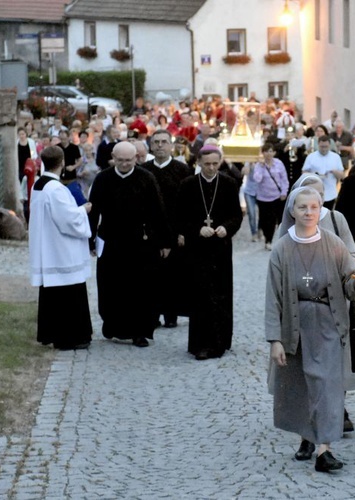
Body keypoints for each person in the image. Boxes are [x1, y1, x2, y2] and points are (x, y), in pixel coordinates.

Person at [265, 186, 355, 473]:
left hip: (328, 321)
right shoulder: (281, 248)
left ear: (320, 209)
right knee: (302, 385)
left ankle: (324, 449)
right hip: (295, 324)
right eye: (303, 207)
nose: (309, 212)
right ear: (292, 210)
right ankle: (306, 437)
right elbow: (273, 297)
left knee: (327, 385)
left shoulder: (334, 243)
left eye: (314, 207)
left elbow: (350, 286)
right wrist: (275, 339)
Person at [88, 141, 171, 348]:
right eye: (120, 160)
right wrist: (89, 238)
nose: (125, 164)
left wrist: (164, 241)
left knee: (141, 288)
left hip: (140, 241)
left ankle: (140, 331)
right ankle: (114, 325)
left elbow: (158, 211)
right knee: (111, 286)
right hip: (111, 239)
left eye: (129, 160)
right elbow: (94, 210)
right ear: (113, 159)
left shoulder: (146, 178)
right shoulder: (103, 179)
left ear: (136, 159)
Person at [177, 146, 242, 359]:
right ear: (199, 163)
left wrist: (227, 227)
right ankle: (201, 344)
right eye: (207, 164)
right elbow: (180, 217)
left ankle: (222, 340)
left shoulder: (229, 184)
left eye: (215, 164)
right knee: (200, 294)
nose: (211, 168)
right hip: (197, 249)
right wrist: (197, 228)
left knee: (222, 293)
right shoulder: (188, 185)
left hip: (221, 248)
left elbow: (236, 215)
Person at [29, 146, 93, 351]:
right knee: (69, 294)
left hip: (48, 245)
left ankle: (52, 333)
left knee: (53, 295)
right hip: (60, 249)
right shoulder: (56, 189)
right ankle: (70, 337)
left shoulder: (38, 184)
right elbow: (68, 219)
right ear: (63, 162)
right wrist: (83, 210)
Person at [142, 129, 195, 328]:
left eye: (164, 142)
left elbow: (188, 206)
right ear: (151, 146)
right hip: (152, 232)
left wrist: (183, 232)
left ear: (171, 145)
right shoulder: (144, 170)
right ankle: (153, 314)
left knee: (174, 274)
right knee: (152, 274)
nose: (160, 146)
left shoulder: (183, 170)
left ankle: (171, 315)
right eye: (156, 142)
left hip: (175, 230)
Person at [253, 142, 289, 250]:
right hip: (262, 197)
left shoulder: (279, 164)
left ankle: (269, 240)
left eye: (270, 151)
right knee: (264, 219)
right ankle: (265, 235)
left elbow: (284, 179)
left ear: (273, 152)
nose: (268, 154)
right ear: (263, 153)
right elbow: (257, 179)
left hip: (276, 196)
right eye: (266, 151)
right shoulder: (259, 165)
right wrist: (262, 167)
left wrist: (284, 192)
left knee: (273, 219)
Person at [302, 135, 344, 210]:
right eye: (322, 147)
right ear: (318, 145)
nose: (324, 149)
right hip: (314, 193)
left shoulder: (336, 157)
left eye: (326, 146)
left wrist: (334, 171)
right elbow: (304, 172)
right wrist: (313, 175)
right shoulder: (311, 156)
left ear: (330, 145)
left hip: (330, 193)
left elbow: (342, 175)